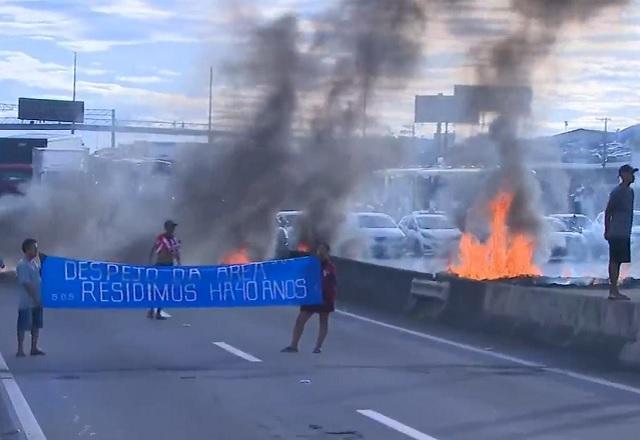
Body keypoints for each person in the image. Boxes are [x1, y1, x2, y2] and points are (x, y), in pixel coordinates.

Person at [282, 242, 337, 354]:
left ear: (327, 253)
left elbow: (332, 283)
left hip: (324, 298)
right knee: (300, 320)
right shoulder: (312, 265)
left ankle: (318, 347)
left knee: (323, 321)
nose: (321, 253)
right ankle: (293, 345)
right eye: (319, 250)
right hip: (311, 297)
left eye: (323, 251)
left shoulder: (330, 267)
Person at [604, 164, 637, 300]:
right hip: (616, 232)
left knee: (619, 260)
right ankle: (613, 290)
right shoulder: (617, 192)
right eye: (630, 173)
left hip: (624, 232)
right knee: (614, 261)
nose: (633, 176)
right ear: (623, 175)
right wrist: (607, 230)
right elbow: (608, 211)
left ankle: (615, 290)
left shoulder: (630, 192)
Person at [16, 238, 45, 357]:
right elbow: (26, 284)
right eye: (34, 247)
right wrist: (35, 298)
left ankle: (34, 348)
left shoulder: (34, 263)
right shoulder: (22, 264)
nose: (37, 249)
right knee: (23, 325)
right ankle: (20, 349)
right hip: (27, 301)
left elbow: (40, 276)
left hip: (37, 300)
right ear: (27, 249)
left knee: (36, 325)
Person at [147, 220, 181, 320]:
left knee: (165, 289)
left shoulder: (174, 240)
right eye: (171, 227)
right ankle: (151, 309)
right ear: (166, 228)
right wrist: (149, 262)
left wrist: (179, 263)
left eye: (174, 227)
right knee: (157, 288)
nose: (173, 229)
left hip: (169, 266)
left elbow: (176, 252)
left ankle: (158, 312)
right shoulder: (161, 238)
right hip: (160, 265)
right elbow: (154, 249)